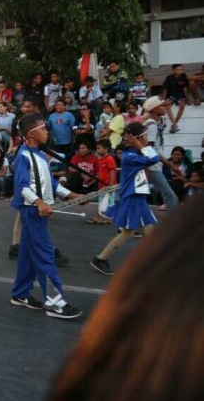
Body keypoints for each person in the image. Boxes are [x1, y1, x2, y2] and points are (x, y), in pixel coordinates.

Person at [41, 193, 204, 401]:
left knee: (150, 236)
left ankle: (144, 267)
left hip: (137, 203)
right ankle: (102, 258)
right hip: (132, 201)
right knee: (136, 235)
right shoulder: (136, 157)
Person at [10, 113, 82, 319]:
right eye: (43, 128)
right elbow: (21, 187)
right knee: (44, 255)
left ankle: (20, 293)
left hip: (38, 210)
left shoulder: (40, 154)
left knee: (28, 254)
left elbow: (51, 183)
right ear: (31, 134)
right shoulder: (23, 156)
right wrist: (38, 202)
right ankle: (55, 302)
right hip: (32, 211)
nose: (47, 131)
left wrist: (71, 195)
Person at [92, 123, 160, 275]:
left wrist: (140, 146)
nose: (147, 139)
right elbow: (154, 158)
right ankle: (101, 258)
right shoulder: (130, 156)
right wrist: (141, 146)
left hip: (138, 197)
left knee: (149, 231)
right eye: (144, 136)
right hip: (132, 198)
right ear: (135, 139)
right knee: (127, 232)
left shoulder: (134, 154)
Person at [162, 63, 200, 133]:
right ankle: (174, 124)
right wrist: (163, 100)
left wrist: (187, 99)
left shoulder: (184, 76)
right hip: (171, 96)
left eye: (182, 69)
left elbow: (185, 89)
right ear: (173, 70)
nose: (180, 71)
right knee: (167, 106)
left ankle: (174, 124)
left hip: (181, 96)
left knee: (182, 106)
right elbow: (165, 89)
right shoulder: (169, 77)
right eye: (178, 69)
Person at [87, 139, 117, 225]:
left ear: (106, 149)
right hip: (103, 185)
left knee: (109, 203)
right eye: (97, 148)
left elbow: (112, 171)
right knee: (104, 202)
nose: (97, 150)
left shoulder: (109, 159)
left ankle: (100, 218)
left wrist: (111, 185)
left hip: (108, 185)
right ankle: (103, 218)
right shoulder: (101, 159)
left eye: (99, 148)